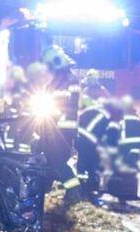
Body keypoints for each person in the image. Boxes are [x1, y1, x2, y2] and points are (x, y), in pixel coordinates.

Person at [37, 45, 83, 203]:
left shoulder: (68, 80)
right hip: (54, 129)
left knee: (58, 162)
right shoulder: (58, 79)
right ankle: (43, 192)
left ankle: (74, 191)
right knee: (49, 160)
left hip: (61, 130)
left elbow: (67, 105)